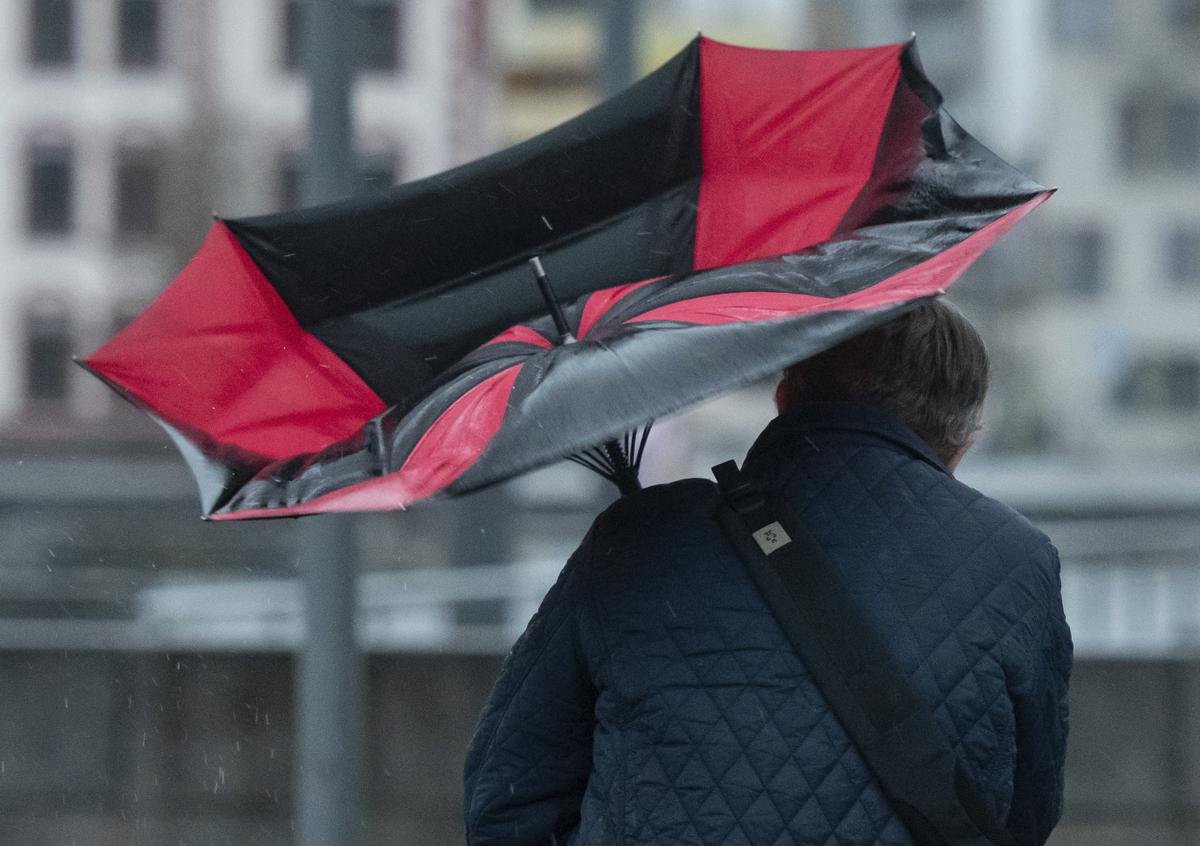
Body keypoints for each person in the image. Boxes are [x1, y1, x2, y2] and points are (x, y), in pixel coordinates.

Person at [463, 299, 1072, 845]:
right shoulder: (1016, 563)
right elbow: (1025, 813)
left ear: (785, 395)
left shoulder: (639, 535)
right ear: (961, 440)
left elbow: (508, 796)